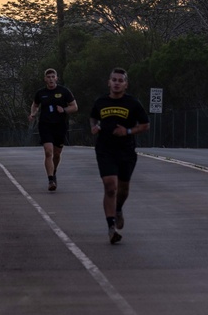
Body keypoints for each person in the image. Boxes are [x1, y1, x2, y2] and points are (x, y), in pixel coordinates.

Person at [89, 67, 149, 244]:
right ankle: (111, 228)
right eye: (114, 80)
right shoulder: (101, 102)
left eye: (120, 80)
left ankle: (119, 209)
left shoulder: (133, 103)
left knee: (123, 190)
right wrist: (94, 126)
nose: (116, 83)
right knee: (110, 186)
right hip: (105, 149)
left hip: (126, 151)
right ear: (109, 82)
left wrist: (128, 131)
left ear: (125, 84)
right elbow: (93, 117)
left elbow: (145, 125)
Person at [28, 68, 78, 191]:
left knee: (56, 154)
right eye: (48, 77)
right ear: (45, 79)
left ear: (56, 78)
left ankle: (54, 171)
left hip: (60, 126)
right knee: (48, 152)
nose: (50, 79)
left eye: (52, 76)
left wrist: (64, 110)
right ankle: (51, 180)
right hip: (45, 125)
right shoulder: (40, 93)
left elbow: (74, 107)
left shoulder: (64, 91)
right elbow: (35, 105)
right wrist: (33, 114)